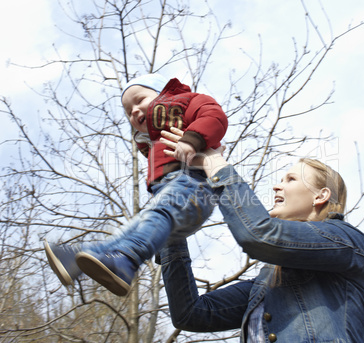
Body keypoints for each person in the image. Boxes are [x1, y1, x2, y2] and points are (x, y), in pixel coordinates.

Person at [157, 127, 364, 342]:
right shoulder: (265, 283)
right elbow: (191, 314)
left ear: (321, 195)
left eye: (291, 179)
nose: (277, 186)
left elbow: (259, 234)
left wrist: (214, 165)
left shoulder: (347, 242)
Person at [44, 74, 228, 296]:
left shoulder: (185, 102)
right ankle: (81, 258)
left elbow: (214, 117)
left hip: (193, 184)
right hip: (173, 190)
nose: (134, 111)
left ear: (163, 93)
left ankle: (127, 259)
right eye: (128, 111)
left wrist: (192, 140)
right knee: (134, 227)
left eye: (140, 100)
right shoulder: (150, 139)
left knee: (155, 217)